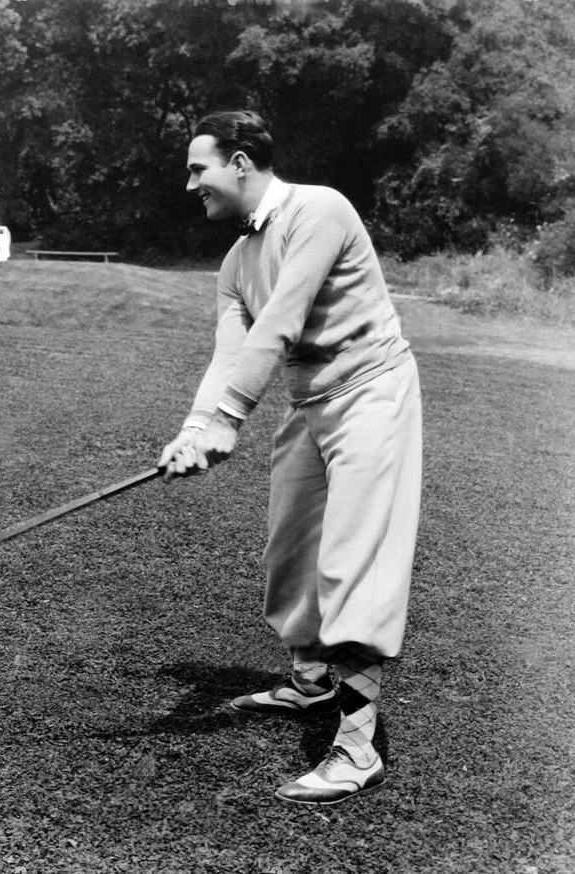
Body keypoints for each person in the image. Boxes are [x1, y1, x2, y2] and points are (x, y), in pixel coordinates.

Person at [157, 110, 422, 806]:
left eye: (198, 169)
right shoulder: (234, 261)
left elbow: (282, 319)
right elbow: (230, 352)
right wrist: (194, 429)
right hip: (313, 408)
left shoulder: (320, 209)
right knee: (291, 556)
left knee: (350, 562)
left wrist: (230, 418)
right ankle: (310, 686)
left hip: (372, 395)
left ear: (240, 162)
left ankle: (359, 746)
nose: (192, 186)